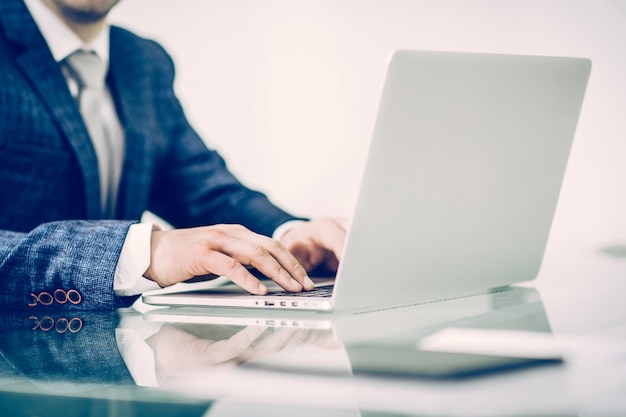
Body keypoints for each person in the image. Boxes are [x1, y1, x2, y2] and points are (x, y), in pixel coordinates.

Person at [0, 0, 346, 310]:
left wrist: (288, 235)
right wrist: (143, 252)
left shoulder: (143, 61)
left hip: (113, 363)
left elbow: (203, 190)